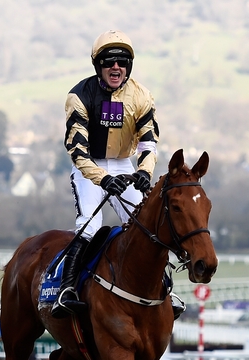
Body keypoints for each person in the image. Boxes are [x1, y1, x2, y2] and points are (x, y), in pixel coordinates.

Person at [52, 29, 182, 319]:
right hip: (89, 164)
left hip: (124, 163)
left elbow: (148, 142)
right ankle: (67, 290)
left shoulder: (141, 96)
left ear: (129, 66)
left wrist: (145, 172)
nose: (116, 67)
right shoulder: (79, 95)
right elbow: (78, 151)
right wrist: (103, 179)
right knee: (88, 224)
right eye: (109, 62)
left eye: (122, 62)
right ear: (98, 65)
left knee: (146, 226)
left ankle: (166, 290)